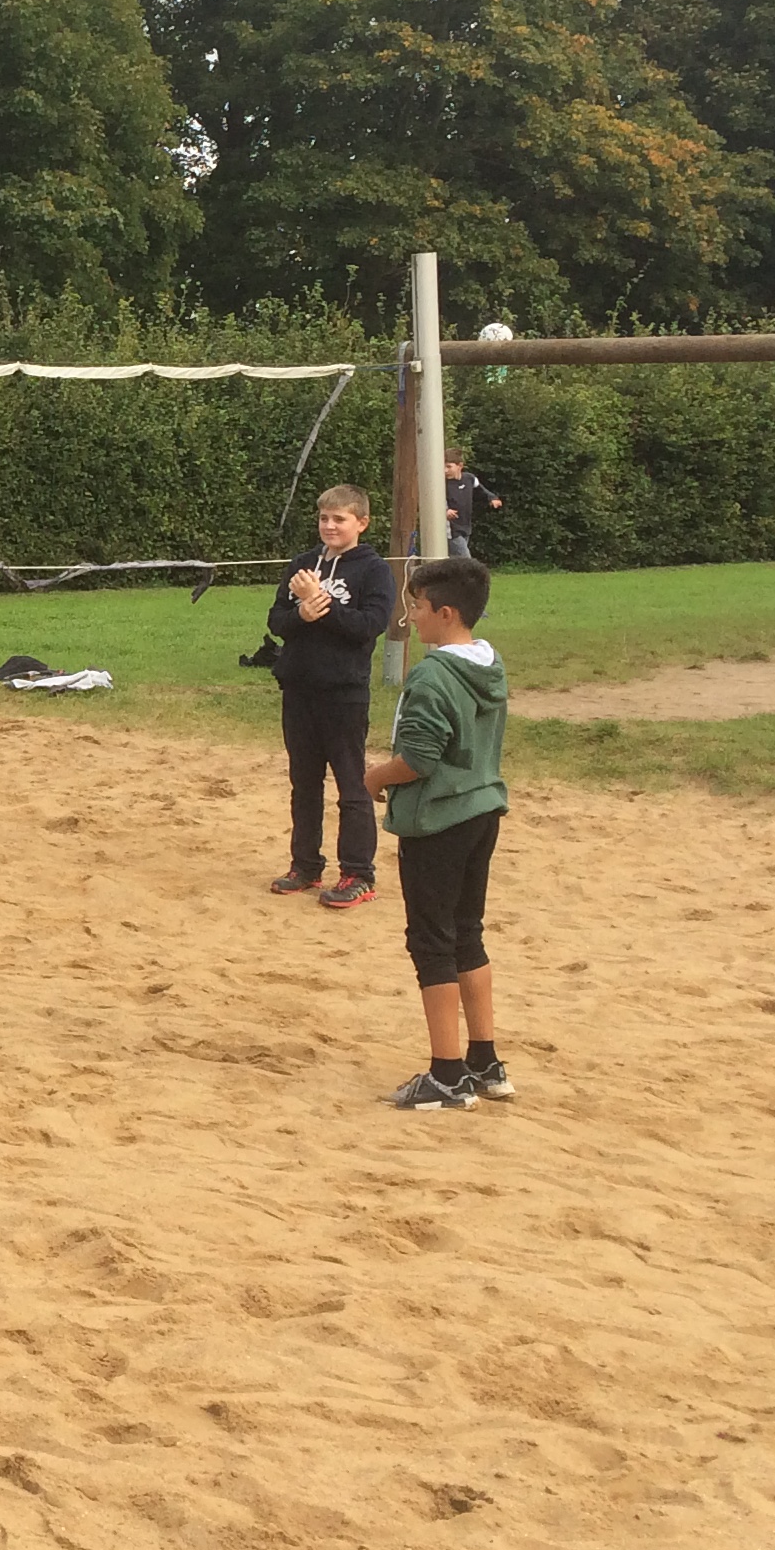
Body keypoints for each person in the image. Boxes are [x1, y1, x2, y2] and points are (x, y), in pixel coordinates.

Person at [366, 557, 510, 1109]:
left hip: (439, 820)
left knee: (431, 942)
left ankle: (447, 1074)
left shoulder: (432, 674)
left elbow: (419, 758)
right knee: (466, 932)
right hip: (482, 809)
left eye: (419, 607)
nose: (412, 616)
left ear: (446, 613)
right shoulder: (490, 663)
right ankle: (485, 1061)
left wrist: (376, 777)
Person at [265, 484, 397, 909]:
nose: (329, 526)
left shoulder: (373, 570)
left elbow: (368, 626)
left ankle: (358, 873)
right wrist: (301, 614)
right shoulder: (302, 564)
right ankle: (305, 865)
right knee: (303, 784)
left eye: (339, 519)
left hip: (344, 694)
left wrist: (319, 602)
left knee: (351, 786)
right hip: (299, 689)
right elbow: (277, 620)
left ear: (362, 523)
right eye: (324, 518)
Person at [443, 449, 503, 559]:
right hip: (451, 531)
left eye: (449, 466)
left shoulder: (469, 479)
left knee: (456, 562)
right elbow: (435, 504)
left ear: (460, 466)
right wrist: (445, 511)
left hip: (465, 527)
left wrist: (492, 498)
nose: (445, 470)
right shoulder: (441, 483)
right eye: (443, 467)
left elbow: (481, 491)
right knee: (466, 561)